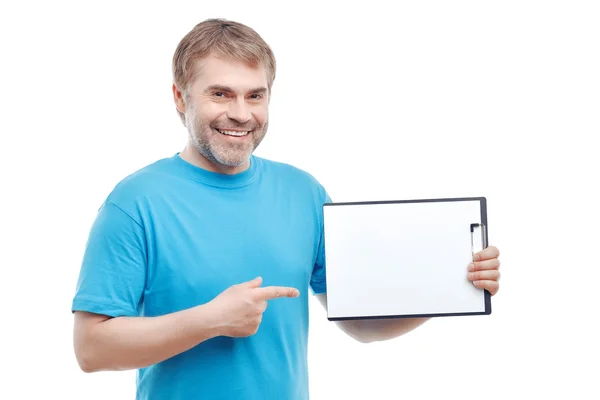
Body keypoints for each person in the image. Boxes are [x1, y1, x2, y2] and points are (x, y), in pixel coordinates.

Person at [71, 18, 501, 400]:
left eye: (255, 96)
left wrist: (448, 285)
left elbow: (358, 324)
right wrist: (210, 320)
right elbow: (91, 349)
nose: (241, 114)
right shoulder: (134, 202)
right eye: (220, 94)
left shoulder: (305, 192)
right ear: (180, 98)